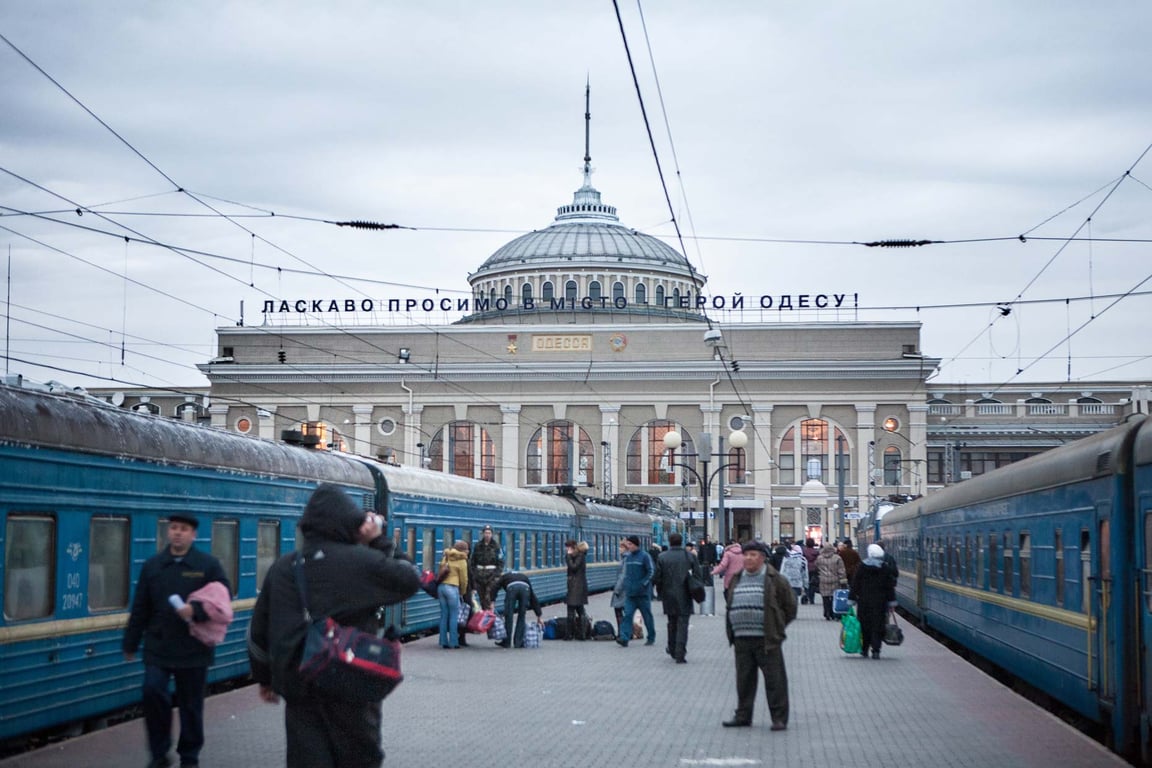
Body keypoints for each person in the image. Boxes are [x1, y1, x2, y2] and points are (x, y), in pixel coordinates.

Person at [248, 484, 421, 768]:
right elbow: (410, 578)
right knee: (358, 756)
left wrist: (265, 678)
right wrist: (379, 541)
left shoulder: (284, 567)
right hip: (352, 682)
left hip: (299, 684)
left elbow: (258, 633)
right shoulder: (362, 562)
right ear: (350, 524)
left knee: (307, 757)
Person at [123, 513, 230, 768]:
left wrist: (196, 612)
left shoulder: (208, 566)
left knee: (191, 706)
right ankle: (159, 753)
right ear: (168, 532)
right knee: (152, 691)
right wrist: (130, 642)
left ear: (194, 535)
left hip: (193, 647)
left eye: (183, 529)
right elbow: (141, 607)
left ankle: (189, 756)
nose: (177, 533)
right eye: (173, 528)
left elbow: (223, 603)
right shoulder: (154, 566)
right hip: (158, 645)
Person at [722, 540, 797, 730]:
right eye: (746, 555)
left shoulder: (775, 579)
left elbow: (790, 607)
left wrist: (777, 626)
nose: (748, 558)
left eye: (753, 555)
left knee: (775, 680)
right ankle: (743, 715)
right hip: (741, 638)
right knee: (744, 680)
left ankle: (779, 718)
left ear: (763, 558)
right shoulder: (737, 578)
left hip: (767, 639)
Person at [653, 532, 701, 663]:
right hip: (685, 595)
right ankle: (680, 652)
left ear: (669, 542)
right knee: (683, 625)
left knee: (671, 623)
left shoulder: (662, 557)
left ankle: (672, 647)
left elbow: (658, 577)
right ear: (682, 542)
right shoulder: (690, 556)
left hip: (668, 595)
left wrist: (659, 592)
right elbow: (697, 575)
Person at [849, 543, 897, 659]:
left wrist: (851, 599)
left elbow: (855, 584)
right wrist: (892, 602)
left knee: (865, 626)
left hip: (864, 602)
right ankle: (876, 650)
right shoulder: (884, 568)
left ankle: (865, 649)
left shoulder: (862, 566)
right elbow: (889, 587)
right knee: (878, 626)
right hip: (880, 604)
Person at [616, 535, 656, 647]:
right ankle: (624, 638)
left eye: (630, 544)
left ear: (636, 545)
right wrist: (625, 586)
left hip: (643, 594)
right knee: (627, 615)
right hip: (630, 594)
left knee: (647, 616)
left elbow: (651, 572)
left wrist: (643, 584)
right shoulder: (628, 558)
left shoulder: (645, 556)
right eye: (627, 544)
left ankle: (651, 637)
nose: (628, 546)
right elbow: (626, 575)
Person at [492, 570, 542, 648]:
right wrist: (539, 615)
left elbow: (495, 588)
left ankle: (507, 642)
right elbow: (532, 596)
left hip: (512, 589)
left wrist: (492, 601)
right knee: (522, 616)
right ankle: (518, 642)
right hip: (525, 589)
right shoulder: (524, 577)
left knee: (509, 615)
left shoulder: (504, 577)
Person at [437, 540, 470, 649]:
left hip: (441, 587)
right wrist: (463, 592)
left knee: (444, 615)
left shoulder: (446, 556)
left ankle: (443, 641)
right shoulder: (462, 560)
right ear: (463, 550)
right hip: (452, 587)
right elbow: (464, 579)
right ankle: (454, 642)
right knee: (454, 616)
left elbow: (440, 569)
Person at [470, 524, 504, 610]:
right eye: (485, 533)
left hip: (491, 576)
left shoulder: (496, 546)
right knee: (482, 599)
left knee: (488, 598)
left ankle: (489, 618)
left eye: (489, 533)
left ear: (492, 534)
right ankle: (485, 619)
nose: (487, 534)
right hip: (479, 575)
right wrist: (474, 574)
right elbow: (473, 561)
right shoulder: (478, 546)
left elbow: (500, 562)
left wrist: (496, 575)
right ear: (483, 533)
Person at [815, 543, 848, 620]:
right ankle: (833, 613)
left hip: (823, 580)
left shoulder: (819, 558)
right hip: (835, 580)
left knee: (825, 597)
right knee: (834, 597)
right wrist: (843, 581)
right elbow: (841, 570)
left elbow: (816, 567)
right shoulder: (837, 558)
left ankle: (826, 612)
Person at [564, 539, 589, 640]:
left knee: (571, 610)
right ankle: (581, 634)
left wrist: (568, 556)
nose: (566, 549)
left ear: (572, 548)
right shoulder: (580, 556)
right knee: (580, 609)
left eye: (567, 547)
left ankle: (570, 635)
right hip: (578, 586)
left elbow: (573, 567)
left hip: (576, 586)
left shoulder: (580, 556)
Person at [610, 539, 629, 636]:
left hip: (622, 590)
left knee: (619, 611)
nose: (619, 549)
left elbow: (623, 576)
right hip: (625, 589)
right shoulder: (625, 558)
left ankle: (622, 633)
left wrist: (617, 590)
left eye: (621, 547)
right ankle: (625, 632)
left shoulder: (626, 559)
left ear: (626, 548)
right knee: (624, 612)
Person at [801, 538, 820, 604]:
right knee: (812, 584)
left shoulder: (803, 552)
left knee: (806, 583)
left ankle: (806, 597)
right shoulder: (816, 552)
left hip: (805, 569)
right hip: (814, 569)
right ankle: (812, 598)